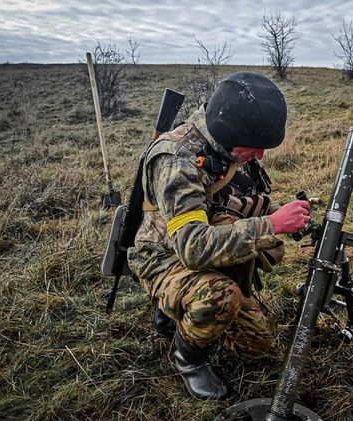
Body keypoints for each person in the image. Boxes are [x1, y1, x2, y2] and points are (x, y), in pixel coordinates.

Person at [127, 71, 310, 400]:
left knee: (259, 345)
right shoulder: (177, 162)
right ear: (231, 134)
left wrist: (281, 212)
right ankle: (188, 359)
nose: (260, 157)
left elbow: (234, 201)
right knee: (219, 297)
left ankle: (180, 311)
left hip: (203, 240)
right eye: (254, 148)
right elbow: (194, 248)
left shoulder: (221, 142)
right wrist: (273, 225)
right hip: (163, 256)